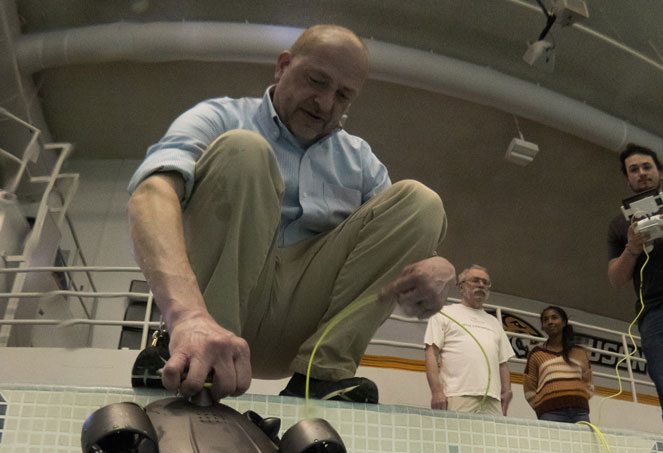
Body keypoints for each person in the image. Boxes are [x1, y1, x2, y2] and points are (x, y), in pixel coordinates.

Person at [127, 24, 454, 403]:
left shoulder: (361, 160)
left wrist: (442, 268)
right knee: (243, 150)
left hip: (306, 329)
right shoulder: (219, 116)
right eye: (317, 82)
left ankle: (321, 376)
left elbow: (406, 239)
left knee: (422, 202)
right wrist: (185, 315)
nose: (326, 103)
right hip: (210, 314)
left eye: (343, 96)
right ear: (283, 66)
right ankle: (199, 350)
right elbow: (151, 193)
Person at [607, 143, 663, 439]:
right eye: (634, 170)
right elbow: (615, 278)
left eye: (647, 167)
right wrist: (632, 249)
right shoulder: (620, 224)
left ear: (660, 172)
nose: (641, 173)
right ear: (628, 179)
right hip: (657, 316)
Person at [423, 265, 514, 415]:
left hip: (493, 400)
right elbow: (431, 352)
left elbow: (502, 362)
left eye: (485, 282)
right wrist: (436, 391)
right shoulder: (444, 313)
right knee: (456, 439)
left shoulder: (494, 322)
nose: (481, 285)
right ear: (461, 287)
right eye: (475, 280)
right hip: (457, 395)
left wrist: (507, 391)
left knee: (494, 439)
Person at [523, 306, 594, 423]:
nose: (550, 322)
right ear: (542, 326)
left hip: (580, 412)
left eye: (554, 318)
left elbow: (589, 383)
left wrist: (580, 398)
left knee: (582, 442)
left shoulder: (579, 352)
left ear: (564, 322)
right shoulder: (537, 353)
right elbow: (529, 386)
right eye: (545, 320)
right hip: (550, 413)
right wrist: (542, 406)